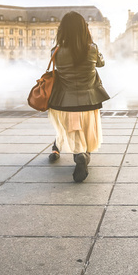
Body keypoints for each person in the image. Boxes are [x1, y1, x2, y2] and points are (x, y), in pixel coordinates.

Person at [47, 11, 110, 182]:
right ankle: (84, 155)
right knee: (88, 131)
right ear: (84, 29)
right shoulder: (92, 48)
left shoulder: (56, 51)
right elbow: (101, 63)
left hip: (65, 102)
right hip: (89, 100)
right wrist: (90, 41)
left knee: (73, 130)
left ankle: (79, 154)